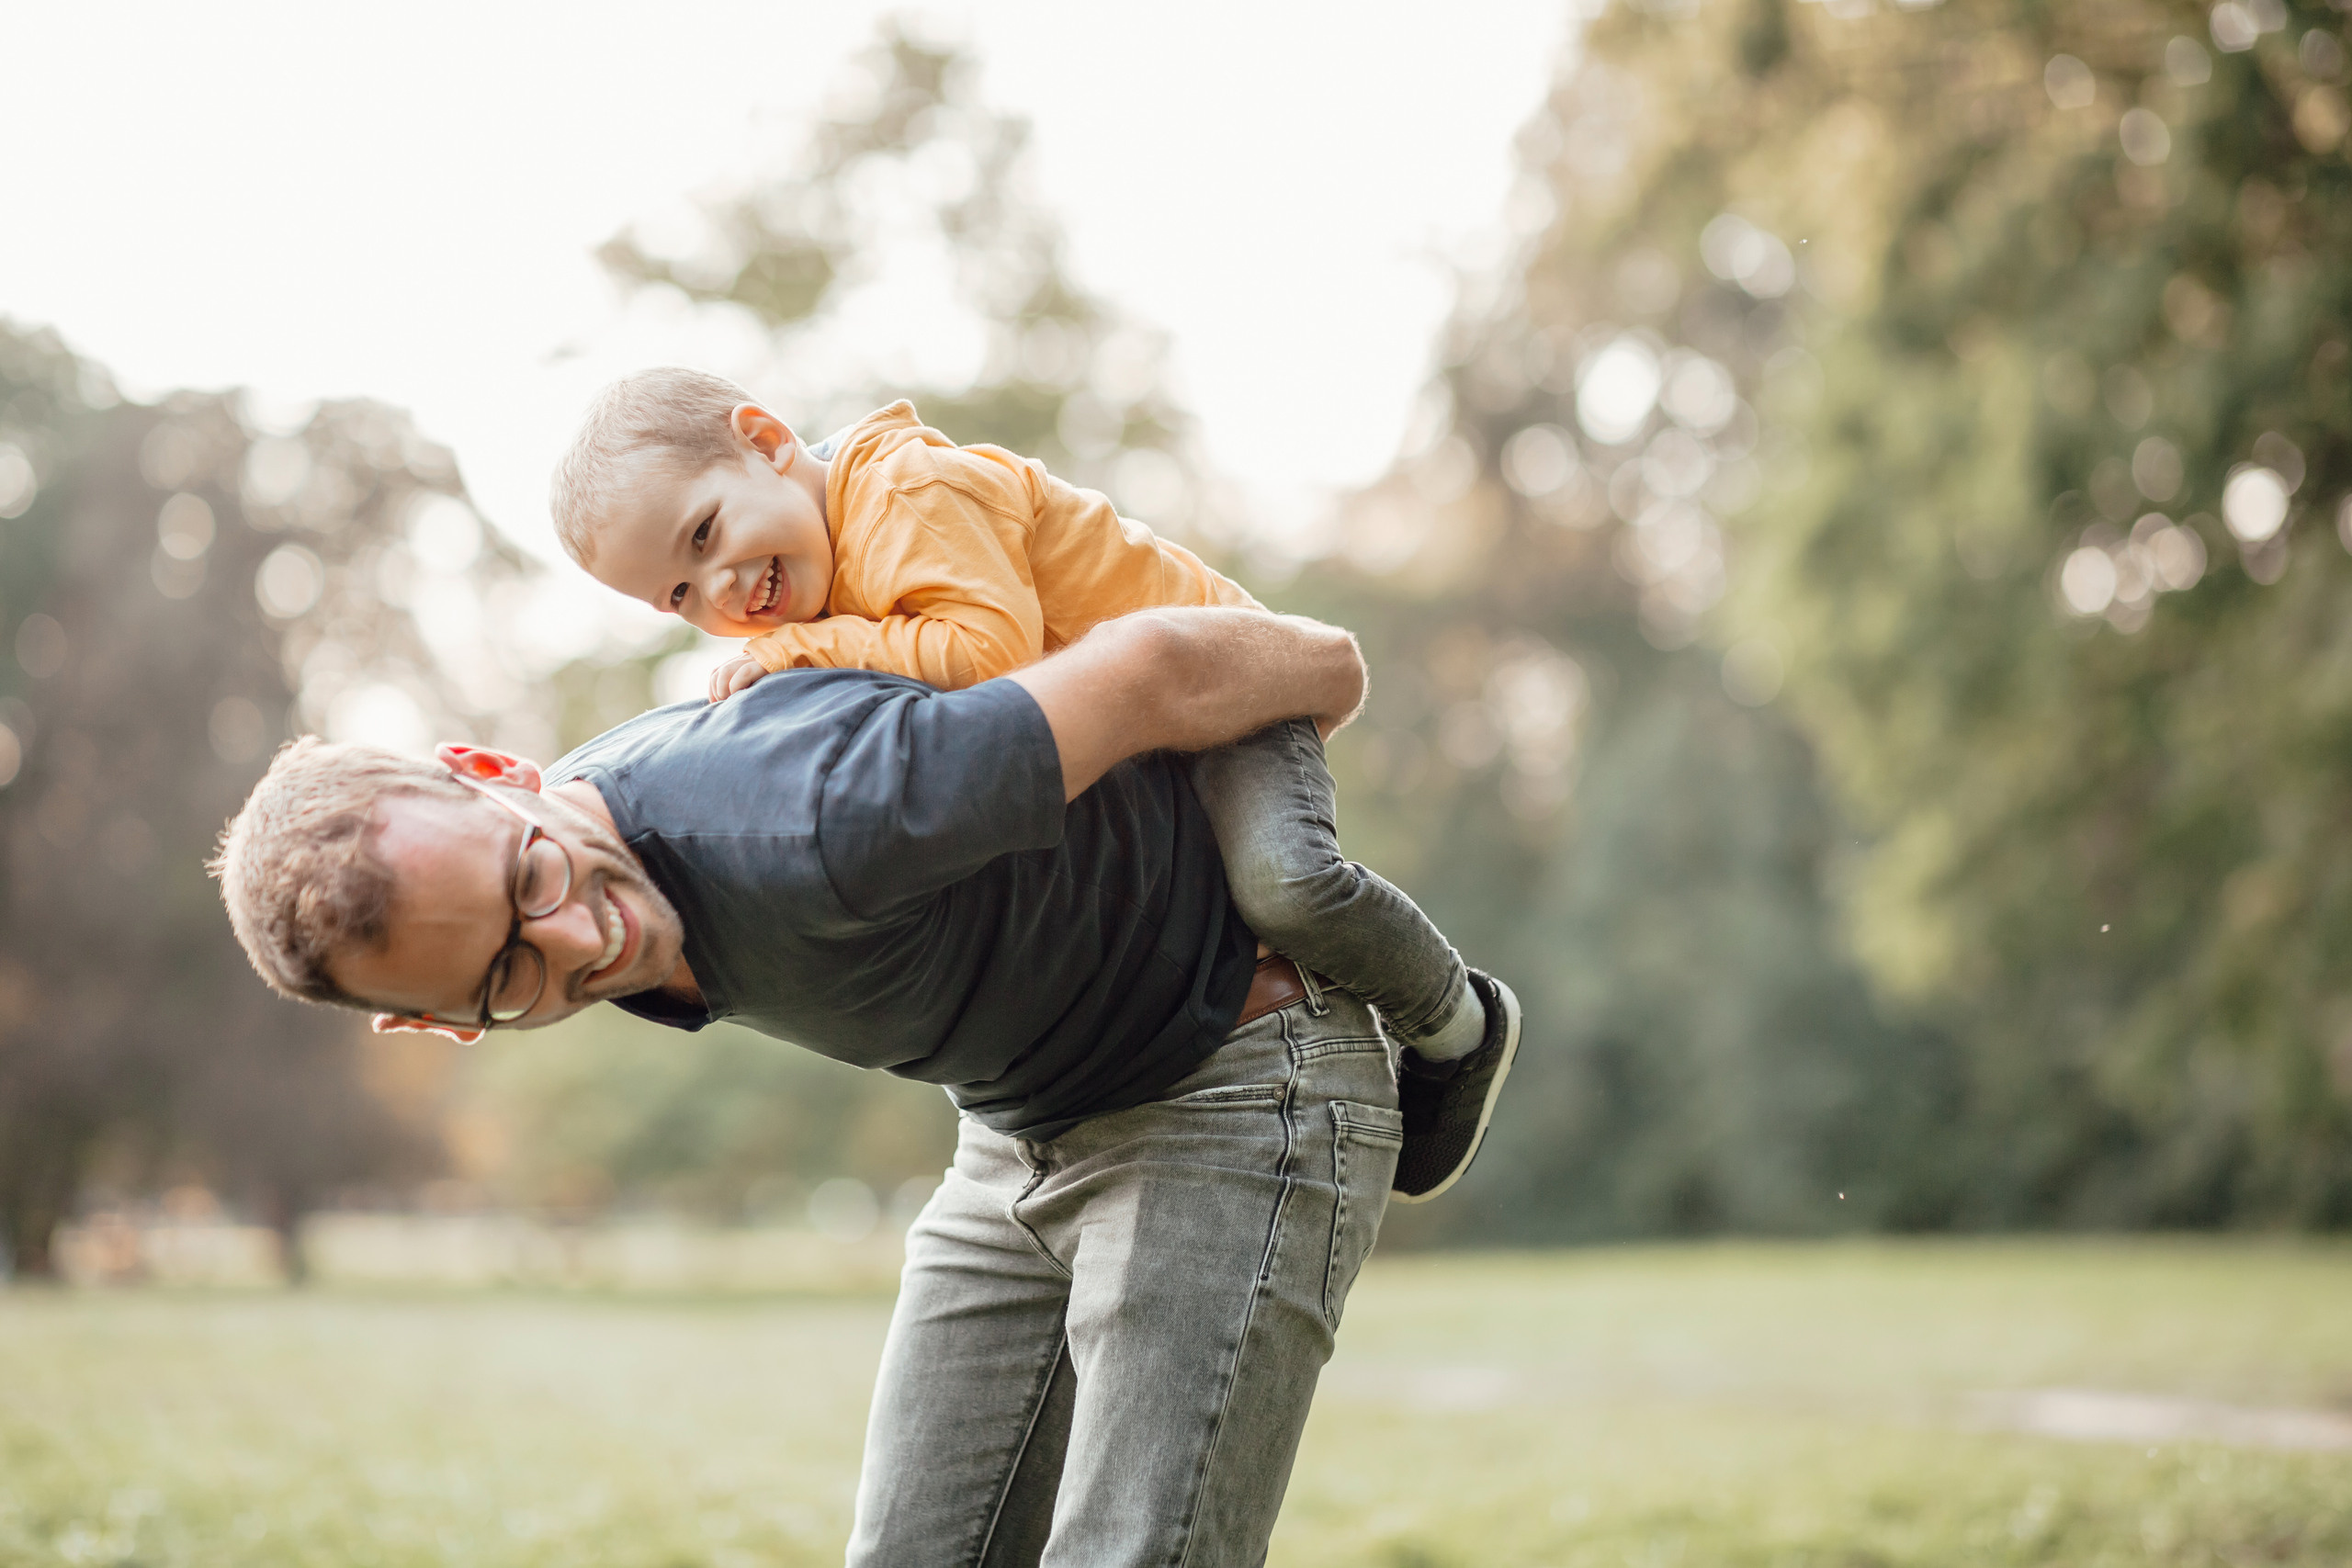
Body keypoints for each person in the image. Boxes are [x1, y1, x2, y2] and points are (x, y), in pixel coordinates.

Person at [212, 606, 1516, 1563]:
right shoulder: (594, 863)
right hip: (1019, 1126)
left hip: (1233, 1080)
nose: (579, 941)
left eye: (529, 880)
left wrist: (1329, 676)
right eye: (506, 974)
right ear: (440, 1025)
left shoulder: (808, 814)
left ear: (497, 774)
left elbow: (1160, 665)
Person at [547, 368, 1518, 1200]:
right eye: (680, 594)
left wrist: (810, 649)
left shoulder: (904, 494)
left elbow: (989, 658)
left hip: (1226, 696)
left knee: (1284, 883)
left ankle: (1455, 1022)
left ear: (764, 441)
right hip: (1139, 747)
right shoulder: (817, 566)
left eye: (705, 533)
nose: (719, 590)